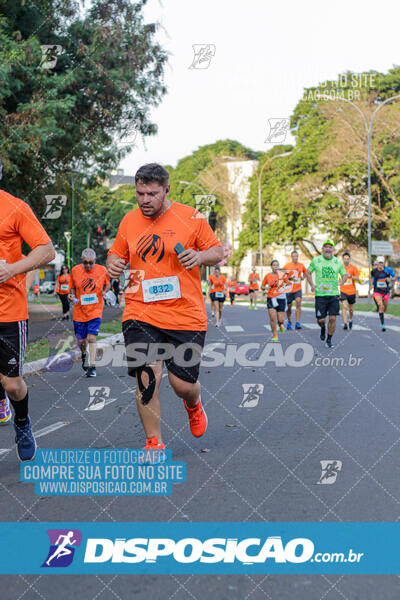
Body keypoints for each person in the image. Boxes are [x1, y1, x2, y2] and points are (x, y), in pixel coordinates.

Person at [106, 163, 223, 451]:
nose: (145, 200)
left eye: (152, 194)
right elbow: (115, 254)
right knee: (147, 378)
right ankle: (153, 443)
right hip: (140, 312)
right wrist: (112, 263)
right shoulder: (129, 221)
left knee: (182, 385)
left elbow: (217, 251)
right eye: (140, 193)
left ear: (166, 190)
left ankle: (193, 403)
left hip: (185, 314)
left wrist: (199, 256)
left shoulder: (191, 217)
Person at [0, 183, 55, 459]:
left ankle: (22, 424)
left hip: (8, 312)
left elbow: (47, 251)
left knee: (12, 383)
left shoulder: (15, 207)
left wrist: (11, 270)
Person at [69, 248, 111, 377]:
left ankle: (92, 366)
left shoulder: (102, 270)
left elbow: (107, 284)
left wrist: (104, 292)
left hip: (95, 310)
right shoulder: (75, 270)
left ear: (95, 261)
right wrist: (71, 296)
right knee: (81, 341)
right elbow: (72, 288)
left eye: (91, 263)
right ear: (82, 260)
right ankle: (84, 355)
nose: (88, 265)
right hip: (79, 311)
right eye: (86, 262)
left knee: (91, 338)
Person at [305, 240, 348, 348]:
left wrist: (342, 282)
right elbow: (308, 272)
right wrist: (312, 285)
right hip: (320, 295)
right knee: (321, 320)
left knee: (333, 318)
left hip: (334, 294)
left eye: (330, 247)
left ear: (333, 250)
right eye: (326, 247)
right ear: (322, 249)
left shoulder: (338, 262)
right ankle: (323, 328)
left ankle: (329, 339)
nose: (328, 249)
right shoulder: (316, 260)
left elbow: (345, 274)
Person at [262, 260, 287, 342]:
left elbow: (289, 284)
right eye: (274, 265)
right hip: (271, 298)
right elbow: (262, 286)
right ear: (271, 267)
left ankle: (280, 325)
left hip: (281, 298)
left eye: (277, 265)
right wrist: (266, 288)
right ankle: (275, 335)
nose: (276, 267)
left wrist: (284, 287)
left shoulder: (282, 275)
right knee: (272, 318)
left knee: (281, 320)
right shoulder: (267, 276)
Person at [283, 250, 307, 330]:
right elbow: (282, 275)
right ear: (291, 257)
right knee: (289, 307)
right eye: (294, 256)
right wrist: (288, 278)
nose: (295, 258)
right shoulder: (287, 266)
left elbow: (306, 272)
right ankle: (289, 322)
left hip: (298, 289)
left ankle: (297, 323)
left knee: (298, 303)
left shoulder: (301, 265)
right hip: (289, 289)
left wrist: (303, 277)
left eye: (296, 256)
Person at [370, 256, 394, 332]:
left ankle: (382, 313)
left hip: (386, 291)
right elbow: (371, 276)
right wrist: (372, 284)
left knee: (384, 308)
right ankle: (382, 324)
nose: (380, 264)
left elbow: (394, 277)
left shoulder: (388, 270)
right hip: (377, 291)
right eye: (379, 262)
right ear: (377, 263)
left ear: (384, 263)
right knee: (380, 305)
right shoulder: (374, 271)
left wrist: (390, 279)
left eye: (382, 263)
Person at [340, 252, 360, 330]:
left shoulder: (353, 268)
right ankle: (345, 323)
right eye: (345, 259)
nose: (346, 260)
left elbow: (358, 279)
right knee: (344, 306)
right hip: (343, 290)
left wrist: (350, 276)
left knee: (351, 309)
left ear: (350, 259)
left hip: (351, 291)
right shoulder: (340, 268)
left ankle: (350, 320)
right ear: (343, 259)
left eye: (348, 259)